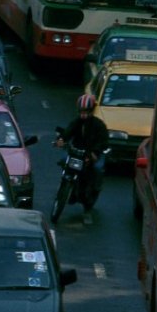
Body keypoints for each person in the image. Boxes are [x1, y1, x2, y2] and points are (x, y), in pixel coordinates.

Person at [53, 94, 108, 224]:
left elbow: (103, 142)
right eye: (81, 112)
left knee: (97, 170)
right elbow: (68, 132)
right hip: (76, 152)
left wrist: (95, 152)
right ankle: (65, 185)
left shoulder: (99, 125)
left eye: (86, 112)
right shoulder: (76, 122)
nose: (83, 115)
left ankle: (87, 208)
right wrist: (61, 140)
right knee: (63, 159)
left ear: (92, 111)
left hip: (92, 154)